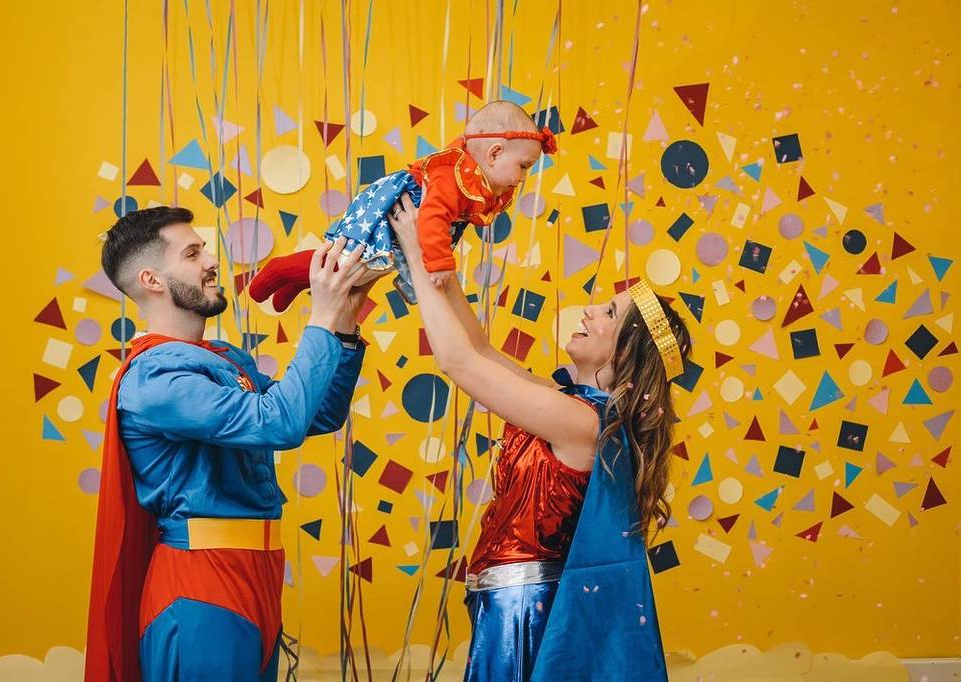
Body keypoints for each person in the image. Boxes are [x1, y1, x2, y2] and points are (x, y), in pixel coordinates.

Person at [388, 196, 692, 681]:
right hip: (507, 599)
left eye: (609, 312)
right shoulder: (566, 403)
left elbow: (457, 362)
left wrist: (412, 248)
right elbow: (478, 348)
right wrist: (433, 260)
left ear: (626, 352)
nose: (589, 311)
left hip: (523, 608)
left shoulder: (581, 423)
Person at [85, 206, 371, 681]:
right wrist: (320, 318)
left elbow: (317, 414)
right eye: (192, 254)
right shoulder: (154, 377)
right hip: (201, 583)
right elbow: (279, 423)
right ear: (152, 280)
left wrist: (342, 321)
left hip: (258, 573)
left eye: (204, 249)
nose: (211, 260)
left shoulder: (223, 359)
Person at [248, 100, 557, 311]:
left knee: (356, 275)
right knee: (345, 265)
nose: (523, 177)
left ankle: (295, 283)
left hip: (400, 232)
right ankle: (279, 270)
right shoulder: (450, 176)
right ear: (494, 153)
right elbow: (433, 218)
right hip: (385, 217)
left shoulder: (475, 182)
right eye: (524, 166)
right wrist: (440, 263)